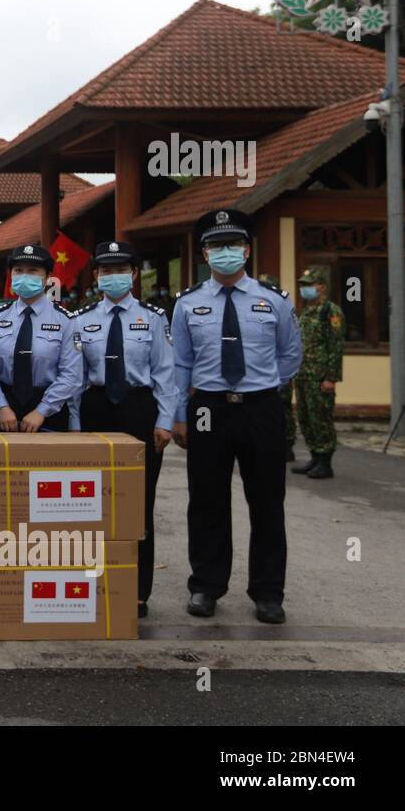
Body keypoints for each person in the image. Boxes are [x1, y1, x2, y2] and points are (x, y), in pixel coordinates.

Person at [171, 208, 302, 624]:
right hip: (208, 407)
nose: (225, 252)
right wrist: (179, 415)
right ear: (204, 253)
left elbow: (290, 354)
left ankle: (268, 593)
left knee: (267, 501)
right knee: (206, 499)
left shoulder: (274, 301)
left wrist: (261, 386)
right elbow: (179, 365)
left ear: (247, 249)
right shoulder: (188, 304)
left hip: (261, 407)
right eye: (216, 245)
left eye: (233, 244)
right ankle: (206, 587)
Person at [69, 241, 175, 618]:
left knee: (137, 504)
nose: (112, 276)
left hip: (138, 409)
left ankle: (137, 590)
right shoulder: (80, 320)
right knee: (88, 503)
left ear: (132, 274)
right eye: (104, 270)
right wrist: (75, 426)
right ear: (95, 276)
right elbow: (75, 379)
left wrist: (165, 420)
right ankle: (91, 583)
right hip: (96, 409)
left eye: (120, 269)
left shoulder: (153, 318)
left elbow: (166, 373)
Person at [0, 244, 82, 432]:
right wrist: (1, 406)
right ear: (11, 275)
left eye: (33, 270)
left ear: (46, 278)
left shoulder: (66, 321)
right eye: (18, 270)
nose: (25, 276)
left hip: (50, 412)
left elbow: (72, 375)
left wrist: (41, 411)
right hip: (3, 410)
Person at [290, 267, 344, 480]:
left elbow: (336, 345)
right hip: (303, 374)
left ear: (321, 286)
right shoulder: (306, 312)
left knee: (321, 418)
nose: (304, 288)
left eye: (309, 284)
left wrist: (331, 377)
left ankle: (325, 461)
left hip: (320, 376)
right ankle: (314, 456)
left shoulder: (330, 311)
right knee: (305, 418)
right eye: (303, 285)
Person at [259, 274, 297, 461]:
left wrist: (284, 375)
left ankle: (286, 445)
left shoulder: (282, 306)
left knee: (283, 410)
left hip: (278, 372)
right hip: (261, 373)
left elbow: (289, 348)